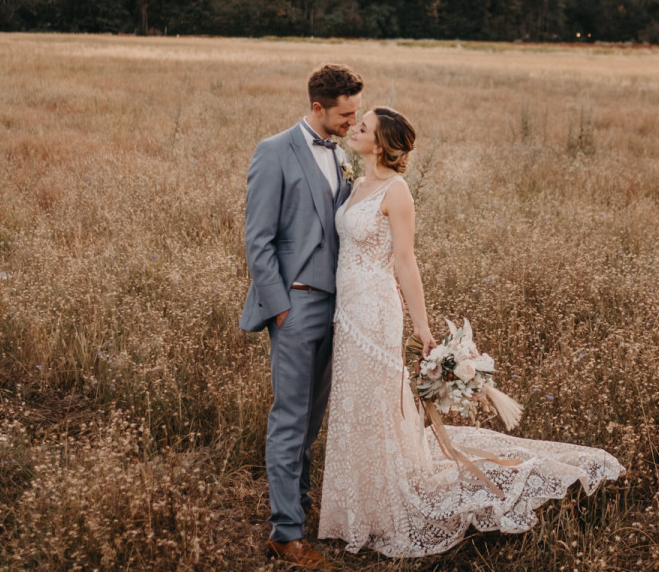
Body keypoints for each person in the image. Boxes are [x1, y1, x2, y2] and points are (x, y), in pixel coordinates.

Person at [319, 106, 622, 558]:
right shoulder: (357, 184)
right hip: (348, 311)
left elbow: (405, 262)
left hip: (376, 312)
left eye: (363, 127)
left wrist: (422, 330)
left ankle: (383, 508)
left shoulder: (397, 192)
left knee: (376, 403)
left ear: (380, 144)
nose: (354, 129)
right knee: (353, 401)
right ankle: (353, 505)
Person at [240, 63, 363, 569]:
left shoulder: (344, 155)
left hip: (340, 307)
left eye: (357, 113)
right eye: (345, 114)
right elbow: (258, 239)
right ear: (317, 107)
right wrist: (282, 310)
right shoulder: (274, 152)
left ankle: (302, 507)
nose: (352, 123)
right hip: (297, 304)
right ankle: (285, 533)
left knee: (312, 419)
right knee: (290, 420)